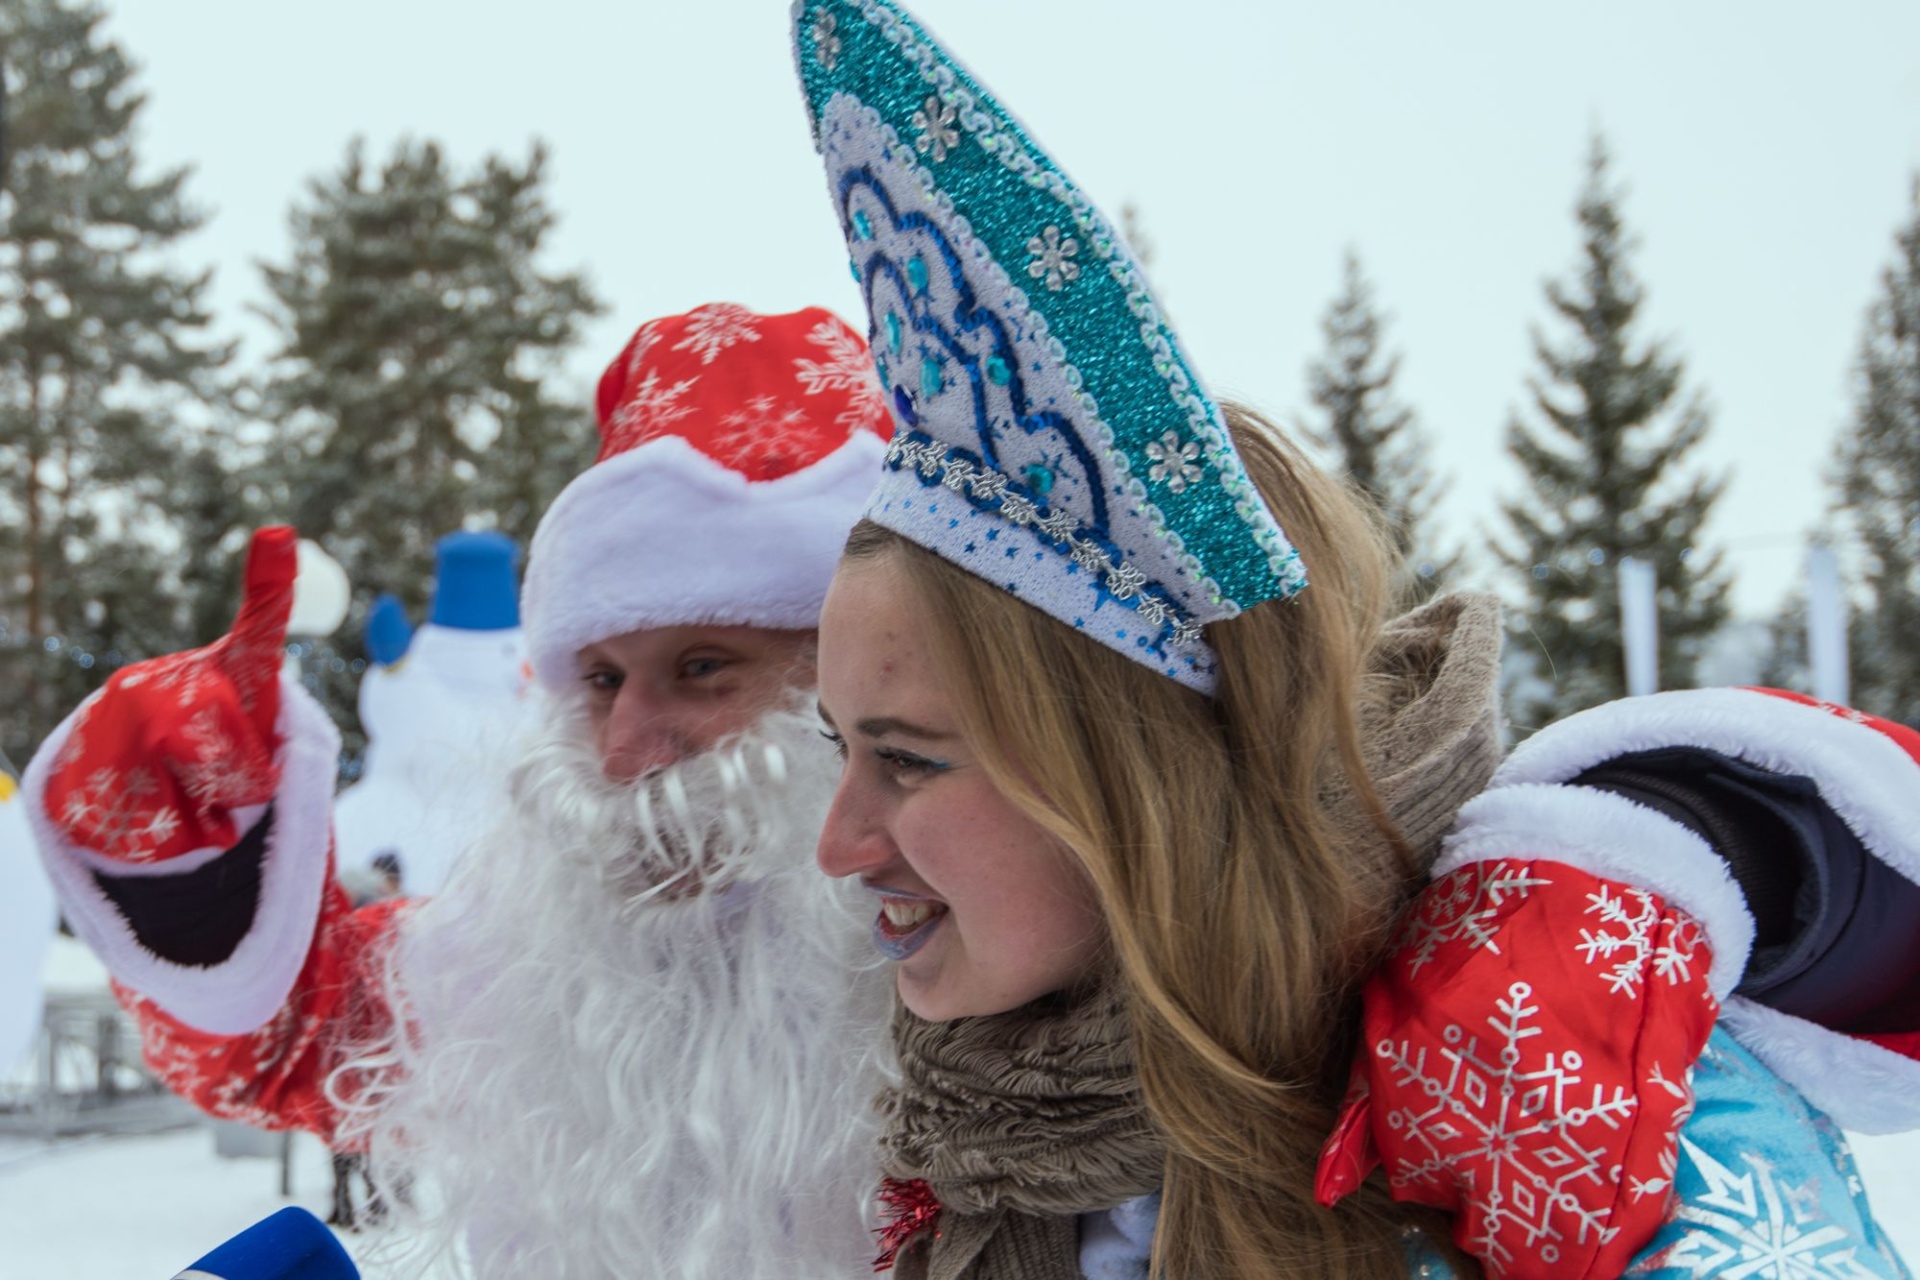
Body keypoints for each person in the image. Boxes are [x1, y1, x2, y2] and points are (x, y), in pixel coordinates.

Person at [792, 4, 1918, 1278]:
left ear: (1143, 773)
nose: (835, 841)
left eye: (910, 756)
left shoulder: (1592, 1126)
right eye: (841, 745)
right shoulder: (990, 1128)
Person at [22, 303, 898, 1278]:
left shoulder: (1011, 979)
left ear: (856, 682)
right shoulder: (526, 960)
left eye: (702, 666)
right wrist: (185, 836)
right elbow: (279, 1044)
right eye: (602, 680)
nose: (624, 748)